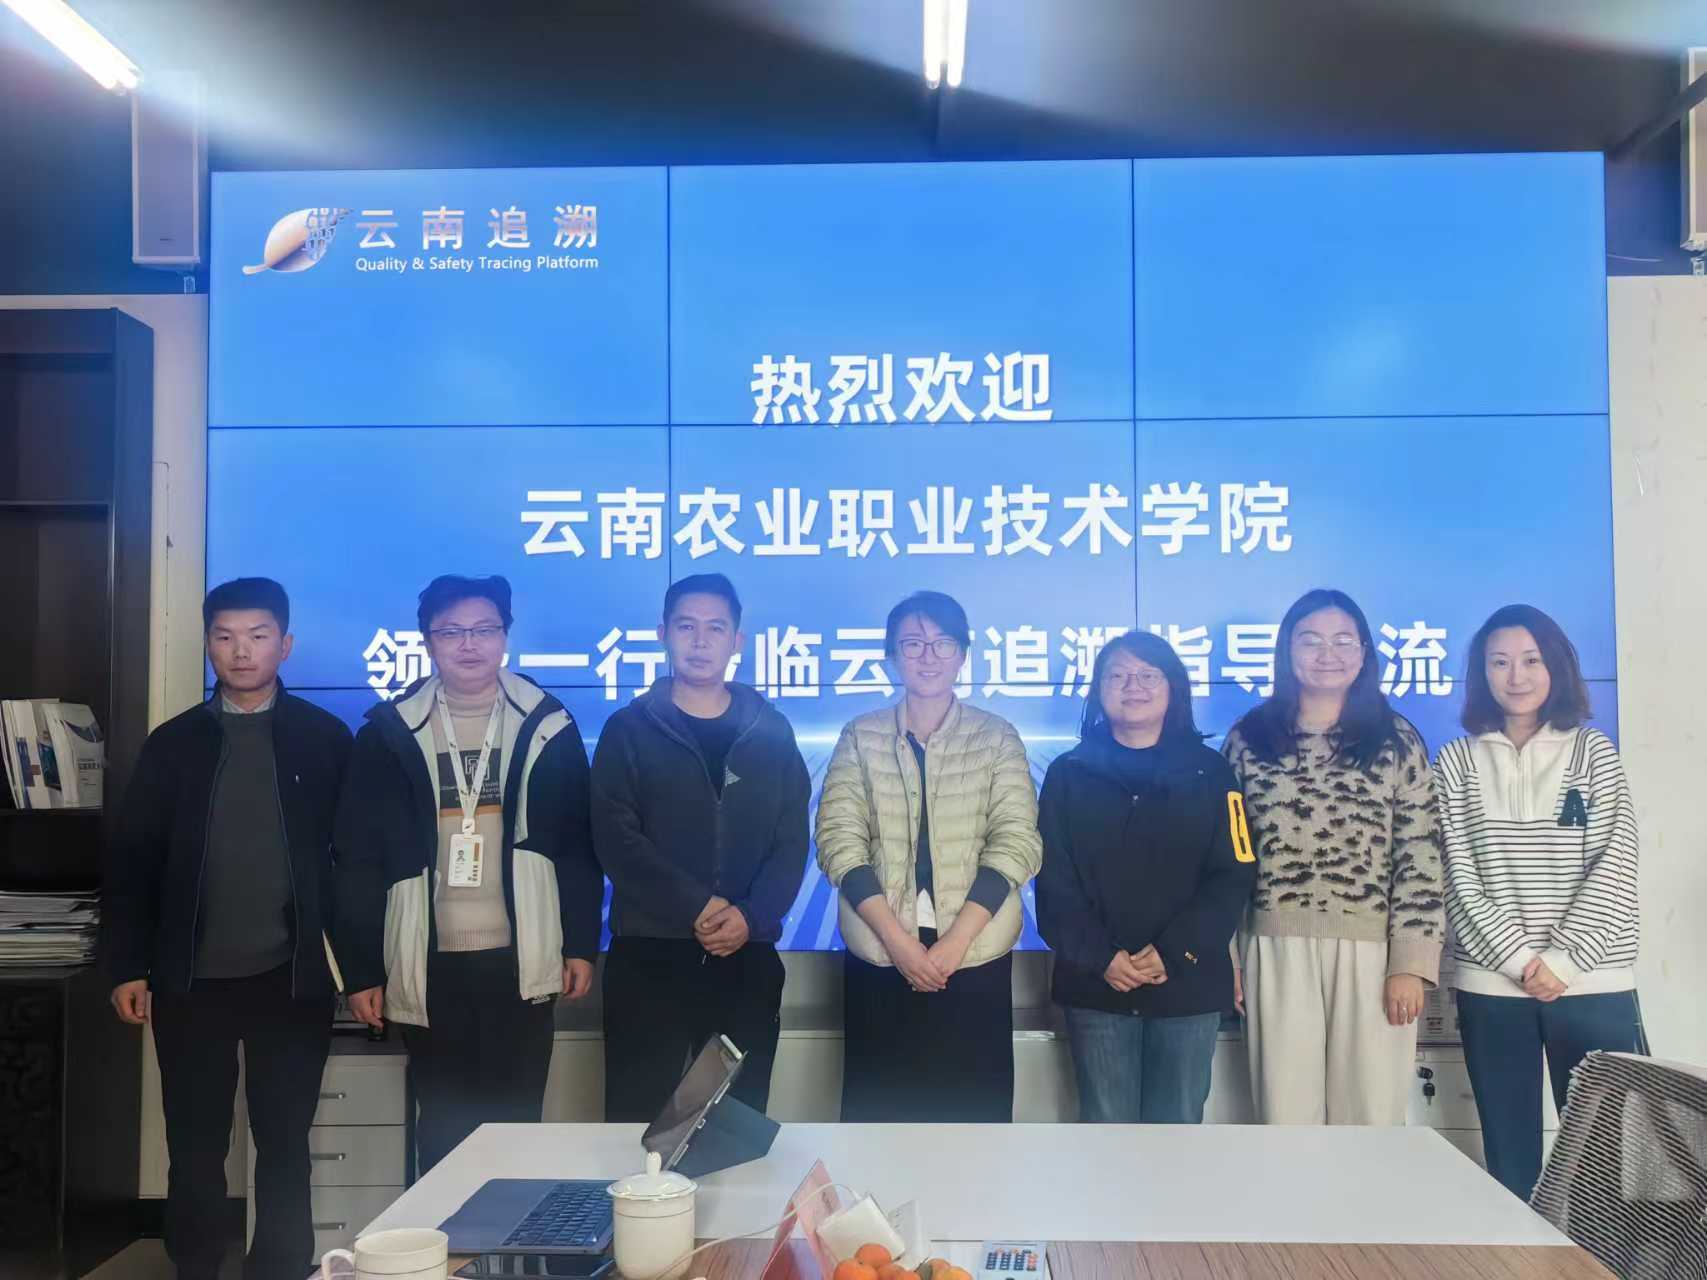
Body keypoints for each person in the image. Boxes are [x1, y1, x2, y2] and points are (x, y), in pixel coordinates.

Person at [103, 578, 352, 1280]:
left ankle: (279, 1269)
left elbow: (354, 866)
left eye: (258, 635)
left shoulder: (325, 739)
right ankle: (196, 1269)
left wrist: (362, 970)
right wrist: (127, 966)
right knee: (195, 1148)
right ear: (208, 644)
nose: (242, 651)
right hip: (190, 982)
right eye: (226, 636)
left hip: (291, 980)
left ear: (285, 644)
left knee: (285, 1146)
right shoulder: (174, 744)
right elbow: (133, 864)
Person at [334, 574, 602, 1174]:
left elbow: (576, 846)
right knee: (444, 1127)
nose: (469, 644)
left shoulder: (548, 725)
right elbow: (357, 859)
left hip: (522, 955)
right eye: (451, 631)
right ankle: (445, 1234)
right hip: (427, 957)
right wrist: (361, 969)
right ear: (428, 641)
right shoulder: (388, 733)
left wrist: (581, 944)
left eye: (484, 629)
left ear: (505, 636)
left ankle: (512, 1237)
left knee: (517, 1124)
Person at [1435, 604, 1643, 1199]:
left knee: (1602, 1161)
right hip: (1493, 984)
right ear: (1481, 673)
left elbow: (1616, 861)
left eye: (1531, 660)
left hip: (1593, 981)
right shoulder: (1455, 761)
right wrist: (1519, 961)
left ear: (1556, 666)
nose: (1516, 676)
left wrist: (1563, 960)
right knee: (1510, 1159)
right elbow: (1455, 875)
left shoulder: (1593, 752)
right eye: (1499, 662)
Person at [816, 590, 1043, 1122]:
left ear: (962, 654)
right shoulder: (860, 736)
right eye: (912, 644)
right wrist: (898, 945)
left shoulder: (996, 736)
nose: (928, 656)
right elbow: (838, 840)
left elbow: (1017, 841)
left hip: (976, 957)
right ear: (891, 656)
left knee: (975, 1123)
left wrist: (954, 944)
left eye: (943, 643)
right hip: (880, 956)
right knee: (878, 1122)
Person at [591, 573, 810, 1121]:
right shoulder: (628, 729)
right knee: (636, 1123)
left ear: (737, 640)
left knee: (735, 1126)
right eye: (686, 626)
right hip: (650, 956)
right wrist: (699, 906)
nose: (700, 640)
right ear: (663, 633)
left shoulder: (772, 731)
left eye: (715, 628)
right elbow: (616, 838)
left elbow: (790, 841)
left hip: (746, 955)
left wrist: (749, 917)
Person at [1221, 588, 1445, 1126]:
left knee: (1370, 1117)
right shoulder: (1249, 738)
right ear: (1287, 650)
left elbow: (1420, 853)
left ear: (1364, 652)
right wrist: (1225, 954)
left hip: (1374, 951)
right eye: (1311, 640)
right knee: (1285, 1117)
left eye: (1344, 640)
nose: (1328, 654)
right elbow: (1227, 854)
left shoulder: (1397, 738)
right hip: (1273, 945)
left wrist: (1410, 965)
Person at [1036, 630, 1256, 1124]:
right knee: (1104, 1129)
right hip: (1096, 986)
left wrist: (1175, 952)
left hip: (1188, 985)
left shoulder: (1212, 773)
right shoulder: (1068, 773)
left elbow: (1233, 874)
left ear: (1173, 687)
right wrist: (1101, 957)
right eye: (1117, 675)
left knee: (1177, 1130)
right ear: (1098, 690)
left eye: (1147, 675)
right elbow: (1053, 883)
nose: (1132, 685)